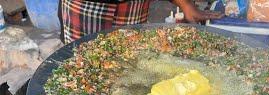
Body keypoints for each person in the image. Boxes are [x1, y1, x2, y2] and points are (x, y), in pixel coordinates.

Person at [58, 0, 223, 43]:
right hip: (88, 9)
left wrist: (186, 5)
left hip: (134, 8)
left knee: (128, 67)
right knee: (84, 68)